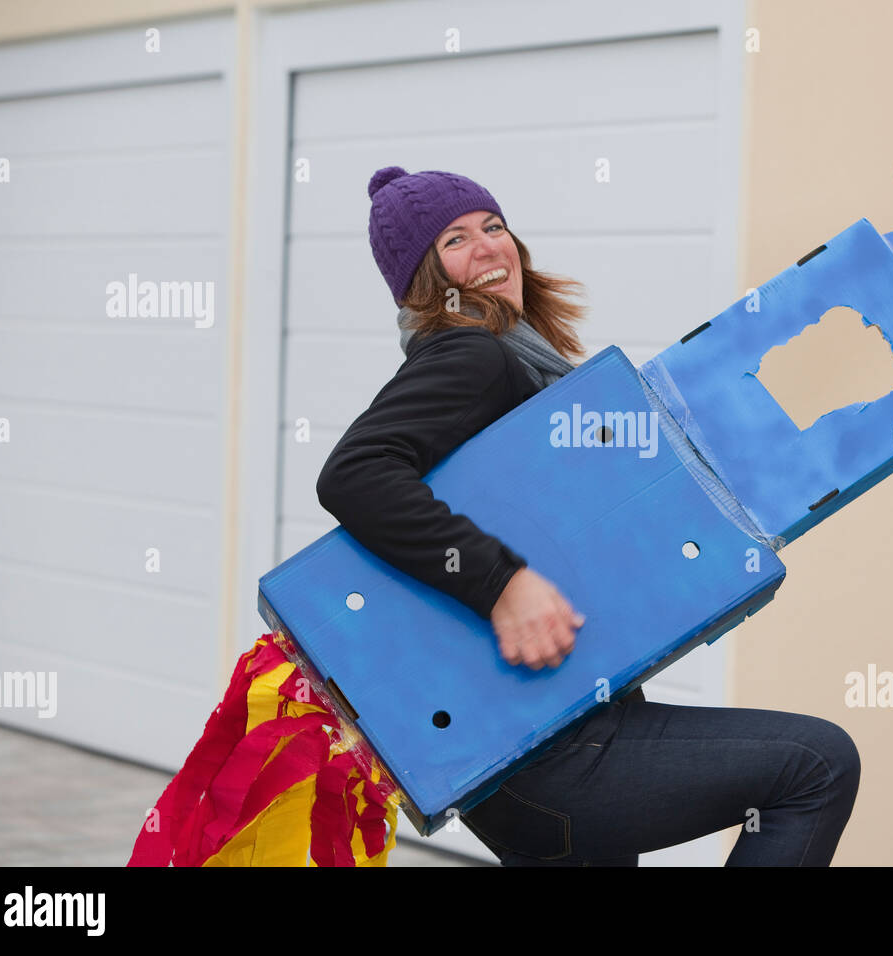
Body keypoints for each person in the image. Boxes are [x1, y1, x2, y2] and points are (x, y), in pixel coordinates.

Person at [316, 166, 860, 866]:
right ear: (425, 280)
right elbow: (355, 476)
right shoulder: (473, 354)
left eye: (492, 226)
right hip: (552, 754)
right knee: (814, 765)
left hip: (542, 743)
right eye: (455, 239)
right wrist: (502, 584)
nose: (488, 247)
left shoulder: (523, 363)